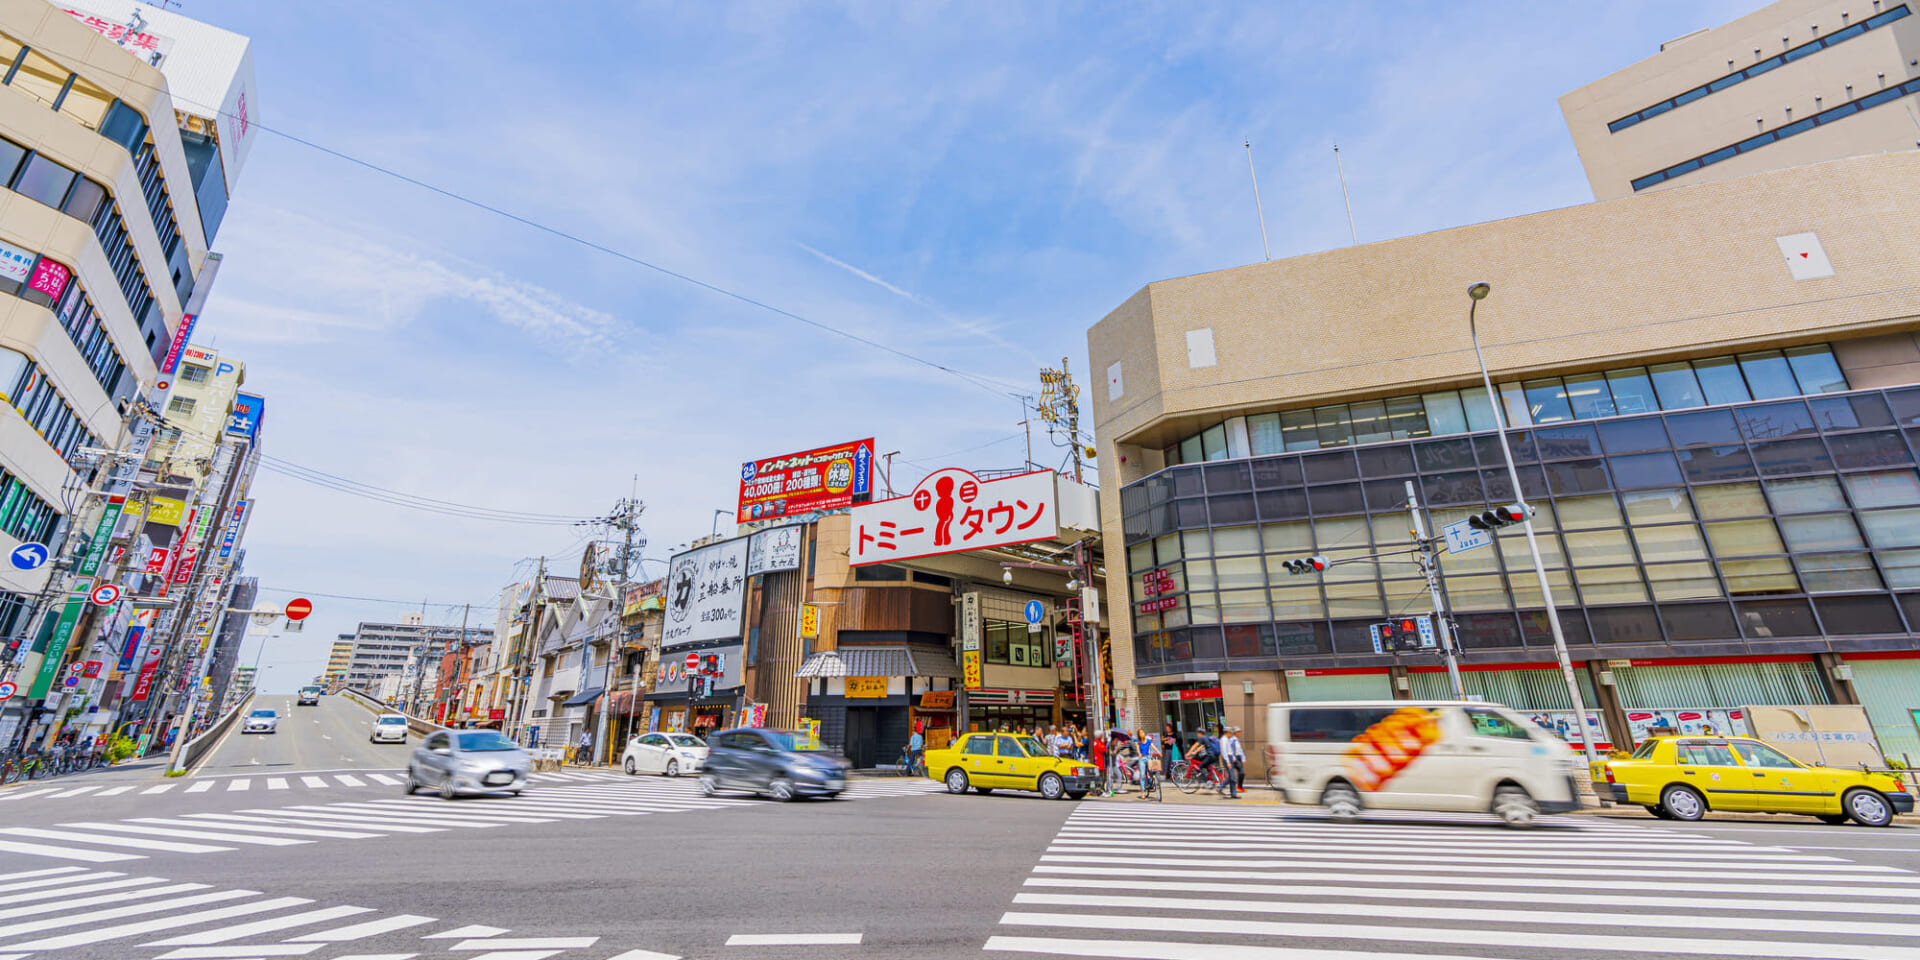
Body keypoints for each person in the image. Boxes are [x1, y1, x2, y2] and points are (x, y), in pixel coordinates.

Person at [1221, 726, 1245, 799]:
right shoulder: (1224, 740)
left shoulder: (1227, 739)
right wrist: (1228, 761)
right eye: (1230, 733)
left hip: (1230, 758)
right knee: (1232, 777)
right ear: (1227, 733)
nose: (1231, 734)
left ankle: (1231, 792)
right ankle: (1232, 793)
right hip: (1228, 758)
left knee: (1232, 777)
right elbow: (1224, 752)